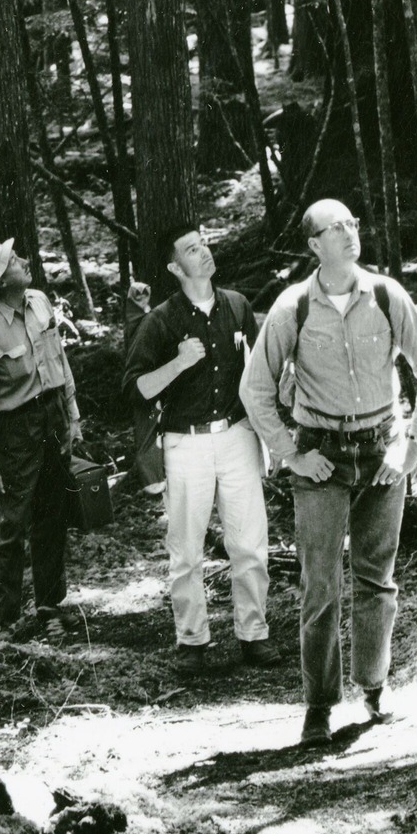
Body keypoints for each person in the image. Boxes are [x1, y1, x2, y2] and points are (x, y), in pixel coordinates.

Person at [240, 200, 417, 748]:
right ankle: (318, 708)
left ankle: (375, 689)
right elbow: (255, 390)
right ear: (314, 245)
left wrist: (413, 442)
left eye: (354, 222)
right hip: (321, 457)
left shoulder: (386, 295)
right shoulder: (292, 308)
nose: (351, 232)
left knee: (376, 576)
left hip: (382, 447)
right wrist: (292, 454)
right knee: (321, 585)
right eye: (336, 227)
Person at [125, 226, 276, 670]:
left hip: (237, 436)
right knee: (186, 550)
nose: (205, 252)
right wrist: (179, 362)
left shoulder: (238, 305)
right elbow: (136, 390)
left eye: (205, 243)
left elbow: (258, 373)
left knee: (249, 543)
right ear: (175, 267)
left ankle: (255, 634)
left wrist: (267, 435)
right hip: (184, 443)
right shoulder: (161, 320)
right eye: (192, 249)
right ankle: (192, 641)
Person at [0, 238, 84, 636]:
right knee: (12, 526)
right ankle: (5, 620)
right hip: (13, 432)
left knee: (52, 516)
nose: (24, 260)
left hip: (51, 418)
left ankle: (49, 608)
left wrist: (72, 417)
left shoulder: (39, 302)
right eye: (14, 260)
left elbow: (59, 361)